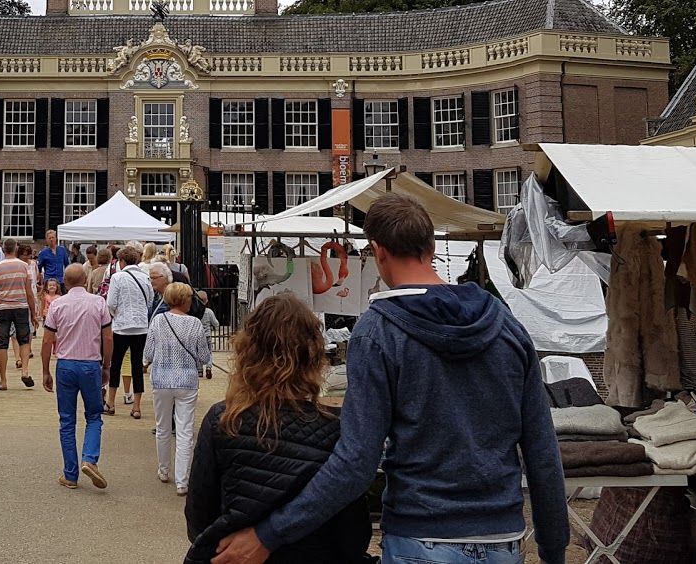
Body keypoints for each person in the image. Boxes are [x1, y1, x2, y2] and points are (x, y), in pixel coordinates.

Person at [211, 195, 567, 564]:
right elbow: (542, 452)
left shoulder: (377, 332)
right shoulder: (508, 326)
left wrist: (269, 535)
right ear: (430, 247)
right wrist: (554, 550)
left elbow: (356, 463)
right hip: (501, 537)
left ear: (378, 252)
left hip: (420, 534)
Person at [186, 293, 369, 561]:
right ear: (313, 354)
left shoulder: (224, 420)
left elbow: (199, 517)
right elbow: (354, 535)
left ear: (248, 350)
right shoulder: (336, 430)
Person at [41, 262, 113, 490]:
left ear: (65, 281)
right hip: (91, 363)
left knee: (67, 420)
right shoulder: (99, 303)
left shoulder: (58, 305)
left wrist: (45, 370)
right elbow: (108, 338)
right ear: (85, 279)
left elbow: (47, 340)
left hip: (66, 365)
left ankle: (70, 474)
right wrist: (107, 366)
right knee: (94, 415)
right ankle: (89, 459)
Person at [145, 281, 212, 496]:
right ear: (184, 300)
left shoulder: (157, 321)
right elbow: (203, 357)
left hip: (161, 380)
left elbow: (148, 353)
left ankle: (164, 470)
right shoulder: (195, 324)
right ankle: (182, 482)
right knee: (185, 431)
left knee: (163, 427)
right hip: (186, 381)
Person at [104, 245, 153, 419]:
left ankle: (110, 403)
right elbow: (150, 300)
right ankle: (137, 407)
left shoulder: (117, 278)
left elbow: (110, 303)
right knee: (137, 365)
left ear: (122, 261)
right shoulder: (145, 277)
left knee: (116, 364)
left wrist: (117, 314)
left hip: (122, 326)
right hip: (141, 326)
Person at [0, 237, 38, 390]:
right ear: (16, 249)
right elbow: (29, 292)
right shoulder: (24, 266)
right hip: (21, 306)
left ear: (3, 249)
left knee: (2, 342)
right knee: (24, 339)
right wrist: (33, 312)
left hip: (3, 307)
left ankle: (3, 380)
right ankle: (25, 371)